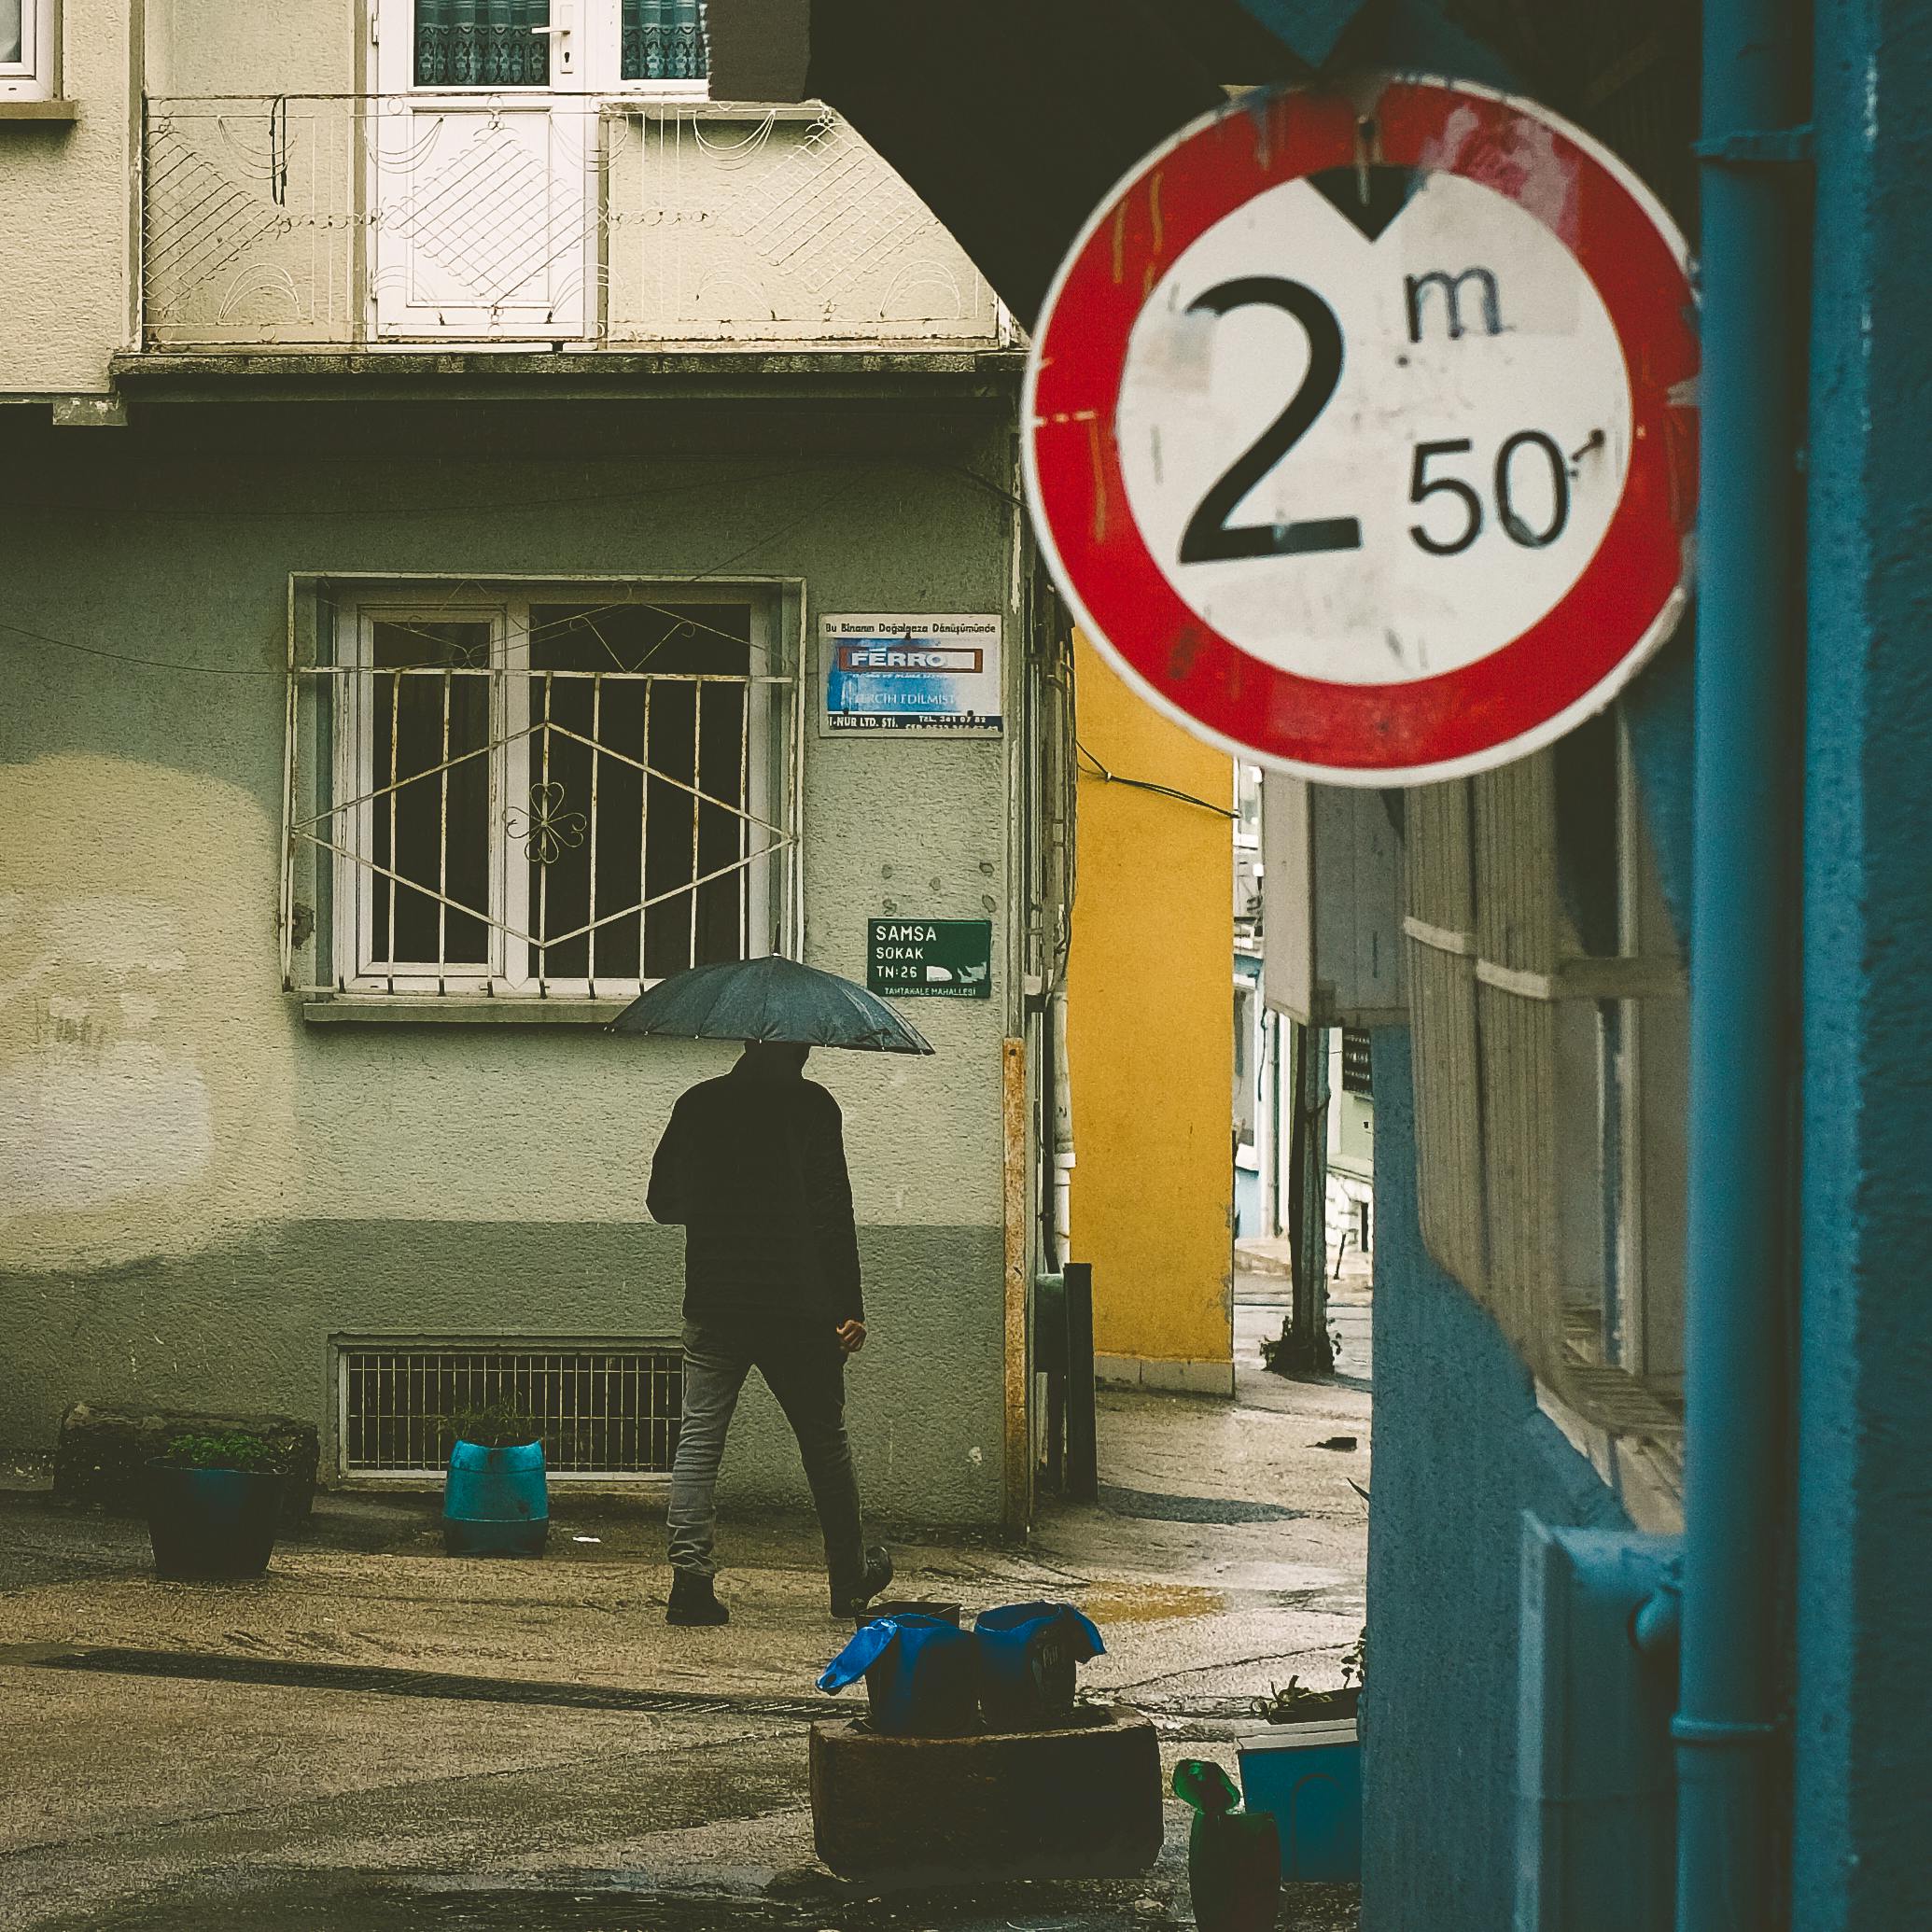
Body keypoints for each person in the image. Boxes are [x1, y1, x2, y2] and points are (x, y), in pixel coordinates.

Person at [647, 1039, 892, 1628]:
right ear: (797, 1047)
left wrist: (720, 1200)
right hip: (799, 1309)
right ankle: (848, 1582)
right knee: (825, 1444)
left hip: (716, 1301)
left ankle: (690, 1583)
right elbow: (833, 1211)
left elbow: (663, 1202)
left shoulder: (698, 1104)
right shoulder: (813, 1108)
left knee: (700, 1439)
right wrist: (848, 1305)